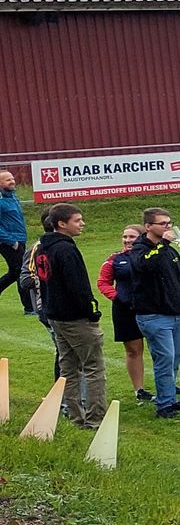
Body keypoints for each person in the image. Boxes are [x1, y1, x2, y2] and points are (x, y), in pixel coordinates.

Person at [33, 205, 104, 429]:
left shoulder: (42, 247)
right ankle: (94, 419)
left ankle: (75, 417)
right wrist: (91, 311)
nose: (82, 224)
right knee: (93, 368)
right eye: (77, 220)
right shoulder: (65, 250)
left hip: (55, 315)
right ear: (62, 224)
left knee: (68, 369)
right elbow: (78, 287)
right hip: (74, 318)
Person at [124, 208, 180, 418]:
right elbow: (145, 265)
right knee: (165, 358)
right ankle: (164, 404)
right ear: (148, 227)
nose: (168, 227)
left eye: (169, 223)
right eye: (163, 223)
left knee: (176, 357)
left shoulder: (170, 251)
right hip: (154, 314)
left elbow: (179, 280)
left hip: (175, 312)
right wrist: (163, 243)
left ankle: (170, 397)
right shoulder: (139, 249)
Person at [96, 225, 150, 402]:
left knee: (161, 348)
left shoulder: (152, 256)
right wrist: (118, 298)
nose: (127, 240)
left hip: (152, 309)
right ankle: (139, 390)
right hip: (125, 311)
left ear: (142, 237)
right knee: (134, 350)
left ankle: (168, 384)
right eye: (125, 237)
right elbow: (103, 282)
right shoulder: (114, 259)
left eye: (132, 237)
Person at [0, 171, 31, 315]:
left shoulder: (12, 197)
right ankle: (29, 308)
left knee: (15, 272)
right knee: (21, 271)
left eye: (12, 178)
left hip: (19, 239)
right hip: (8, 242)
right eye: (8, 180)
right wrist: (12, 241)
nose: (12, 181)